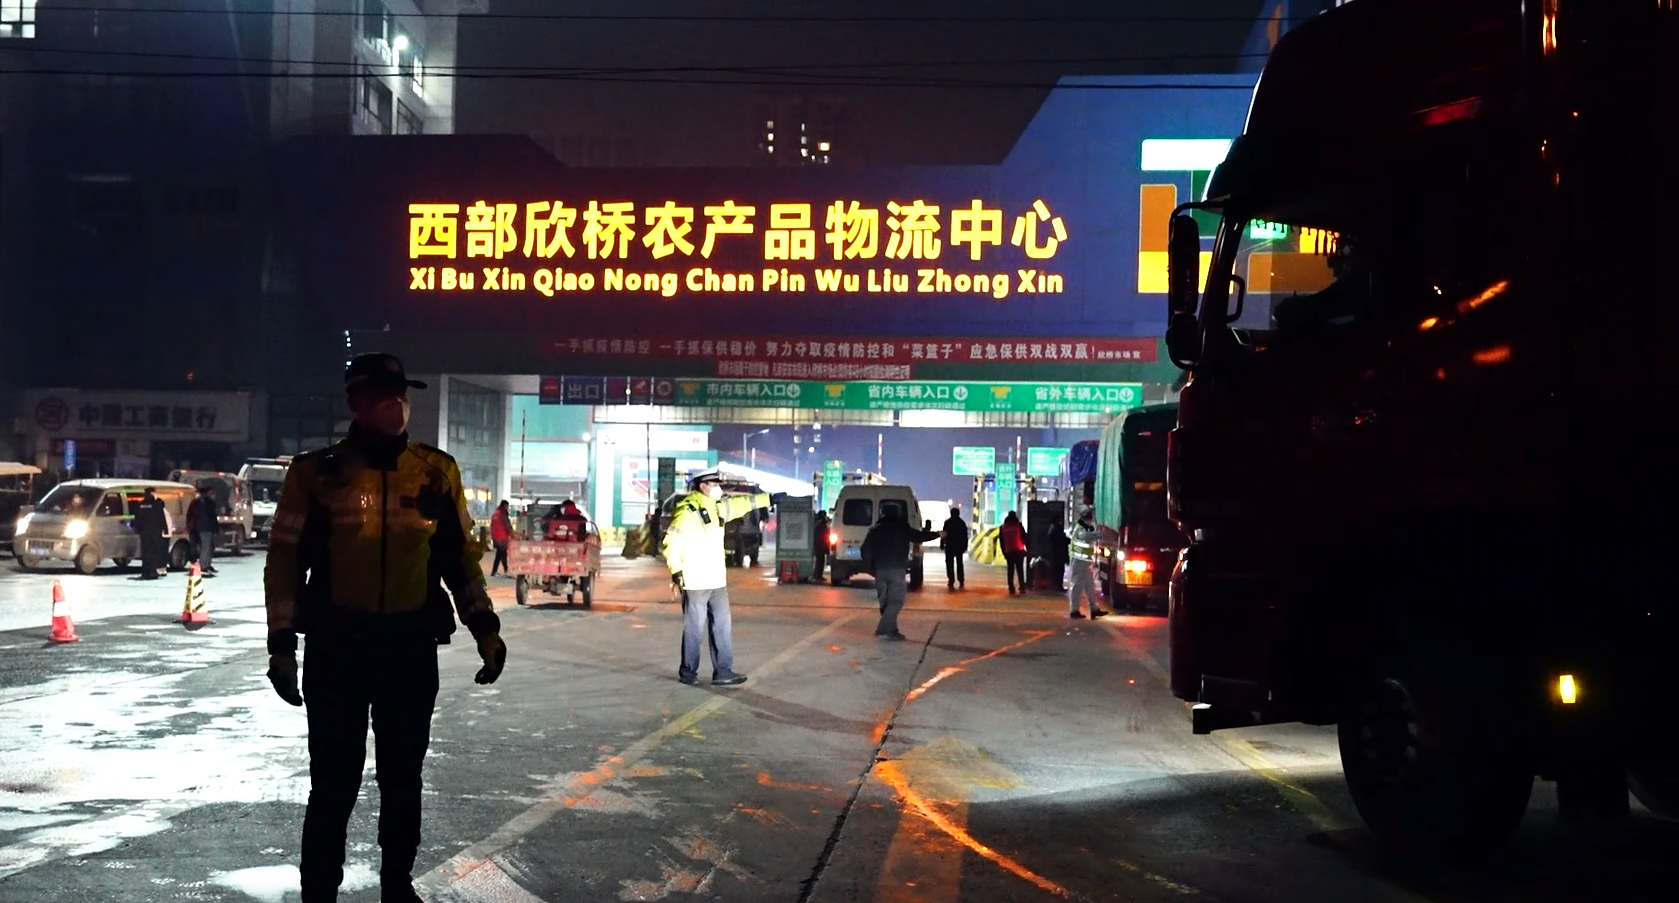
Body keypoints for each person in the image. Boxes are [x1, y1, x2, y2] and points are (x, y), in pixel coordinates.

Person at [263, 352, 507, 903]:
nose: (396, 405)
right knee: (333, 782)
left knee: (403, 779)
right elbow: (284, 564)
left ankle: (398, 886)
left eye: (401, 394)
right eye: (381, 396)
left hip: (408, 649)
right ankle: (319, 892)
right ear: (356, 402)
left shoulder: (436, 471)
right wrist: (281, 646)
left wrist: (484, 628)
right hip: (337, 650)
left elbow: (459, 560)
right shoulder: (315, 473)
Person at [661, 469, 769, 686]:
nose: (718, 488)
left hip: (717, 581)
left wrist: (768, 499)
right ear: (703, 486)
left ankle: (723, 671)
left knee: (722, 626)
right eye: (714, 484)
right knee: (694, 629)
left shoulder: (717, 507)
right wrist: (676, 571)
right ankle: (688, 673)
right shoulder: (689, 511)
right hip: (695, 581)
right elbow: (672, 542)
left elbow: (741, 504)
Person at [860, 506, 941, 639]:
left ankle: (892, 630)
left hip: (880, 570)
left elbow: (865, 550)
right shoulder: (902, 529)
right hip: (897, 569)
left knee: (885, 602)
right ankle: (883, 630)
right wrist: (938, 534)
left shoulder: (875, 530)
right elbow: (920, 536)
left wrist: (871, 567)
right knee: (896, 601)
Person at [1067, 508, 1108, 619]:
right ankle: (1074, 610)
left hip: (1084, 563)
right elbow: (1085, 536)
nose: (1090, 521)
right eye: (1090, 519)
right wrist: (1098, 534)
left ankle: (1094, 609)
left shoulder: (1084, 529)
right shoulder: (1079, 529)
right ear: (1085, 519)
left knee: (1090, 586)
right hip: (1078, 562)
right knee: (1077, 586)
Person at [133, 488, 169, 579]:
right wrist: (165, 529)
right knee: (154, 551)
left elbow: (137, 518)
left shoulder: (140, 504)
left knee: (145, 552)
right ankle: (152, 571)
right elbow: (161, 517)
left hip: (144, 532)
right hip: (155, 532)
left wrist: (137, 529)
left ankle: (145, 571)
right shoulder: (156, 504)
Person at [187, 483, 220, 575]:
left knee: (205, 547)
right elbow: (212, 516)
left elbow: (190, 515)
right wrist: (216, 528)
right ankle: (204, 566)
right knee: (206, 548)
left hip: (196, 528)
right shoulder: (209, 503)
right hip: (206, 528)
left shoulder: (195, 502)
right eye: (211, 492)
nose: (212, 494)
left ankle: (205, 565)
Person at [996, 510, 1029, 595]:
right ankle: (1022, 587)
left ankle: (1011, 588)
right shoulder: (1018, 525)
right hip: (1019, 550)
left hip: (1009, 551)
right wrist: (1028, 549)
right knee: (1020, 570)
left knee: (1010, 570)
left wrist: (1004, 552)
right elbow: (1024, 537)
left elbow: (1002, 541)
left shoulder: (1003, 527)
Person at [940, 505, 969, 590]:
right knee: (959, 563)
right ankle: (961, 580)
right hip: (959, 546)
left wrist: (942, 544)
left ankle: (951, 580)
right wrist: (965, 546)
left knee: (949, 563)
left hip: (949, 546)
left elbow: (944, 534)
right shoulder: (962, 523)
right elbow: (965, 536)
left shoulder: (947, 522)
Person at [489, 500, 513, 576]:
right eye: (507, 506)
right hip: (501, 538)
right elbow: (507, 527)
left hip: (496, 537)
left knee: (500, 554)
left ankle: (495, 571)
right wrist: (513, 535)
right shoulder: (502, 514)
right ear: (504, 506)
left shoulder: (495, 514)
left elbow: (492, 526)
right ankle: (506, 571)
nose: (508, 508)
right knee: (502, 554)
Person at [811, 508, 830, 581]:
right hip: (820, 546)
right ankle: (817, 576)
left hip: (818, 546)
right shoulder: (821, 524)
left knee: (820, 561)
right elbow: (824, 535)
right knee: (820, 561)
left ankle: (818, 575)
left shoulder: (817, 523)